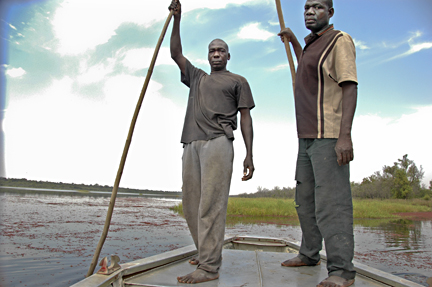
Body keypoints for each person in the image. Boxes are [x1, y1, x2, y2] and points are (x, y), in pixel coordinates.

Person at [168, 0, 255, 284]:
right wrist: (177, 19)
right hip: (191, 143)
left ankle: (208, 267)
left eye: (221, 50)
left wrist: (248, 154)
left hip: (218, 143)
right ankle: (204, 252)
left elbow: (245, 119)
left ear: (228, 56)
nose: (216, 54)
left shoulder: (238, 81)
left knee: (211, 205)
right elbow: (176, 53)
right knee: (191, 203)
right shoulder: (197, 77)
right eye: (212, 51)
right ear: (207, 57)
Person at [278, 1, 358, 287]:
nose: (310, 12)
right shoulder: (312, 45)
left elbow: (349, 85)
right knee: (305, 200)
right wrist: (295, 42)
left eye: (318, 7)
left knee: (331, 204)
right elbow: (307, 72)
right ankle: (309, 254)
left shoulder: (339, 40)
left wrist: (344, 136)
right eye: (306, 7)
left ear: (330, 13)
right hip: (306, 137)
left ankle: (341, 271)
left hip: (328, 135)